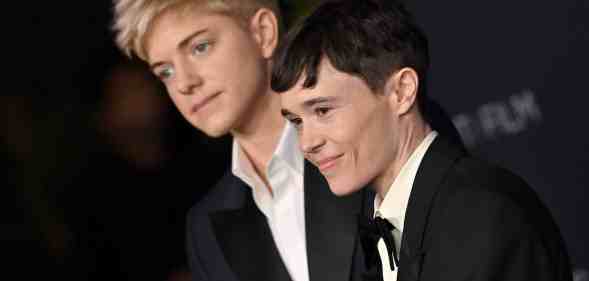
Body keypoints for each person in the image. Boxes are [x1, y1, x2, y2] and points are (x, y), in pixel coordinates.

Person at [271, 0, 573, 280]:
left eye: (323, 110)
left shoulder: (485, 216)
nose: (306, 143)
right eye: (296, 122)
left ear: (401, 92)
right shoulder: (377, 231)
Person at [111, 1, 372, 281]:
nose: (184, 83)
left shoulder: (370, 140)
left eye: (200, 47)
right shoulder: (206, 230)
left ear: (263, 32)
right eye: (166, 72)